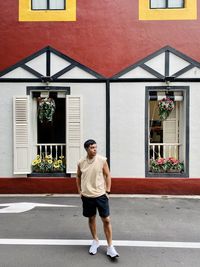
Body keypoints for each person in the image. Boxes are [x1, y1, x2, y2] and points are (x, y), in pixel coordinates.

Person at [76, 139, 119, 258]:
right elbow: (78, 177)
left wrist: (108, 191)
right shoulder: (81, 162)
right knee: (91, 218)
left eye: (95, 147)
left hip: (100, 195)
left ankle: (110, 247)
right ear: (86, 149)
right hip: (87, 196)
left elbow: (107, 175)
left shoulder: (102, 160)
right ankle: (95, 241)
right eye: (92, 148)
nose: (94, 149)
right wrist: (80, 191)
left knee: (106, 220)